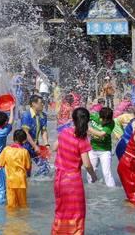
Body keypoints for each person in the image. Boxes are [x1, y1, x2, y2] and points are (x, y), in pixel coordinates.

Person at [52, 107, 97, 235]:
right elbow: (87, 164)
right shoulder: (82, 140)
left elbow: (55, 147)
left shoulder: (64, 132)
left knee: (61, 210)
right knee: (77, 212)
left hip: (59, 179)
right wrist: (93, 176)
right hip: (73, 181)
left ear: (73, 119)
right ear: (87, 121)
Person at [0, 129, 31, 209]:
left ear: (13, 138)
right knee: (23, 205)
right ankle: (23, 220)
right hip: (21, 181)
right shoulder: (25, 152)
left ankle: (11, 221)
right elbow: (28, 167)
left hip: (10, 181)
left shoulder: (6, 150)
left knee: (11, 206)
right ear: (24, 140)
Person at [21, 95, 49, 176]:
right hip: (25, 146)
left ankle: (38, 181)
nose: (43, 105)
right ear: (33, 104)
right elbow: (26, 133)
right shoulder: (26, 115)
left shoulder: (43, 116)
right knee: (26, 171)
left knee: (44, 167)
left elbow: (44, 131)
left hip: (35, 146)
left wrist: (46, 144)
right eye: (41, 103)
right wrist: (34, 146)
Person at [87, 107, 115, 187]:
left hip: (105, 151)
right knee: (90, 171)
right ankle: (91, 190)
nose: (106, 122)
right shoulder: (94, 116)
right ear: (100, 117)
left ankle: (112, 191)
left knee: (106, 172)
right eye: (104, 120)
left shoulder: (111, 123)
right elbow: (83, 117)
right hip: (92, 149)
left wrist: (88, 128)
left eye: (108, 120)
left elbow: (101, 134)